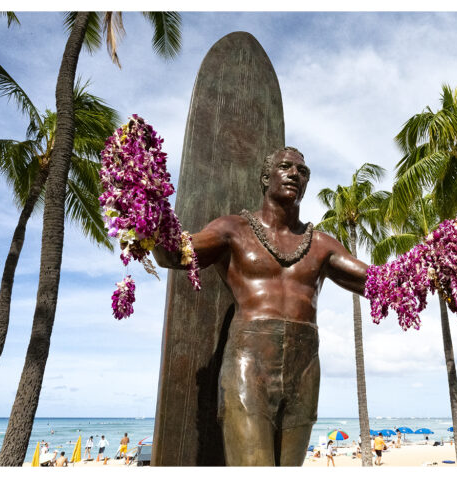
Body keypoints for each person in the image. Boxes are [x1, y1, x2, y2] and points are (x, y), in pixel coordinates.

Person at [152, 147, 371, 466]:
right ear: (265, 178)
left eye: (303, 171)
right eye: (286, 167)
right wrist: (145, 214)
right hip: (249, 361)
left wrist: (434, 268)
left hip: (305, 365)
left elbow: (378, 282)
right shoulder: (233, 230)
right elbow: (173, 254)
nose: (296, 174)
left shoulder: (321, 244)